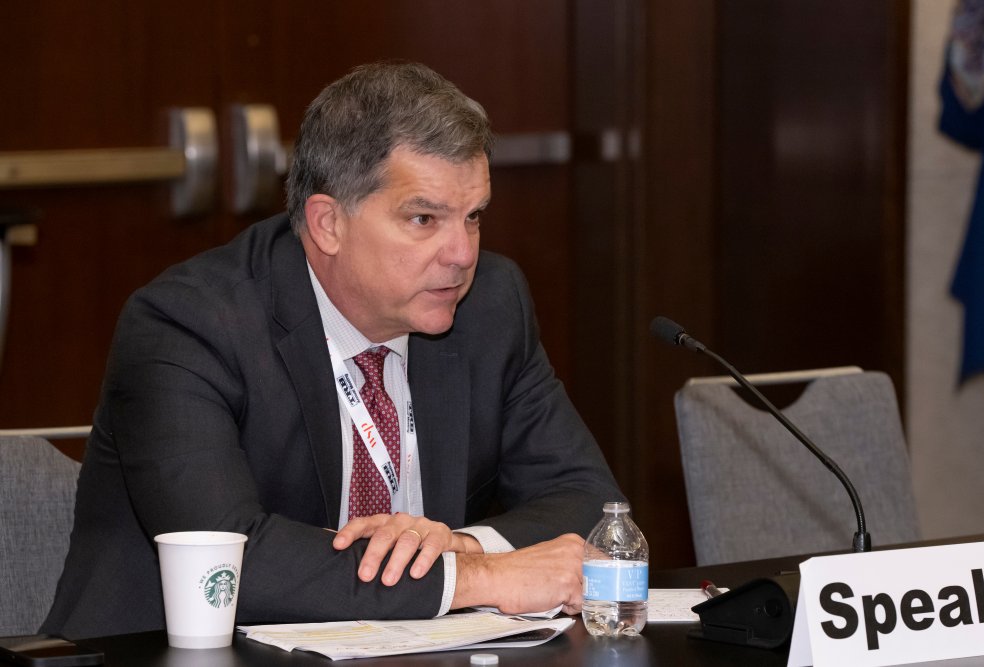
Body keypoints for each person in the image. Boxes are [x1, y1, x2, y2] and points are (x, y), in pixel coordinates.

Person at [42, 61, 623, 639]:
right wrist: (474, 578)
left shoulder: (490, 307)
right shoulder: (189, 324)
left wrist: (462, 544)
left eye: (473, 217)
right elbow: (225, 566)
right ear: (327, 225)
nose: (462, 254)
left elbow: (595, 508)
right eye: (424, 218)